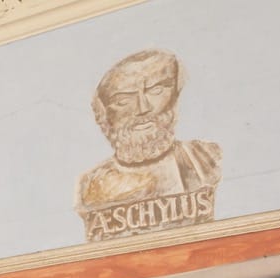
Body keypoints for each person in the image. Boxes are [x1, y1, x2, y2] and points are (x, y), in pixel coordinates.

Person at [76, 49, 220, 241]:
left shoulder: (206, 159)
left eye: (156, 91)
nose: (143, 108)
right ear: (104, 113)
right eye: (123, 100)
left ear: (174, 97)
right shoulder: (90, 184)